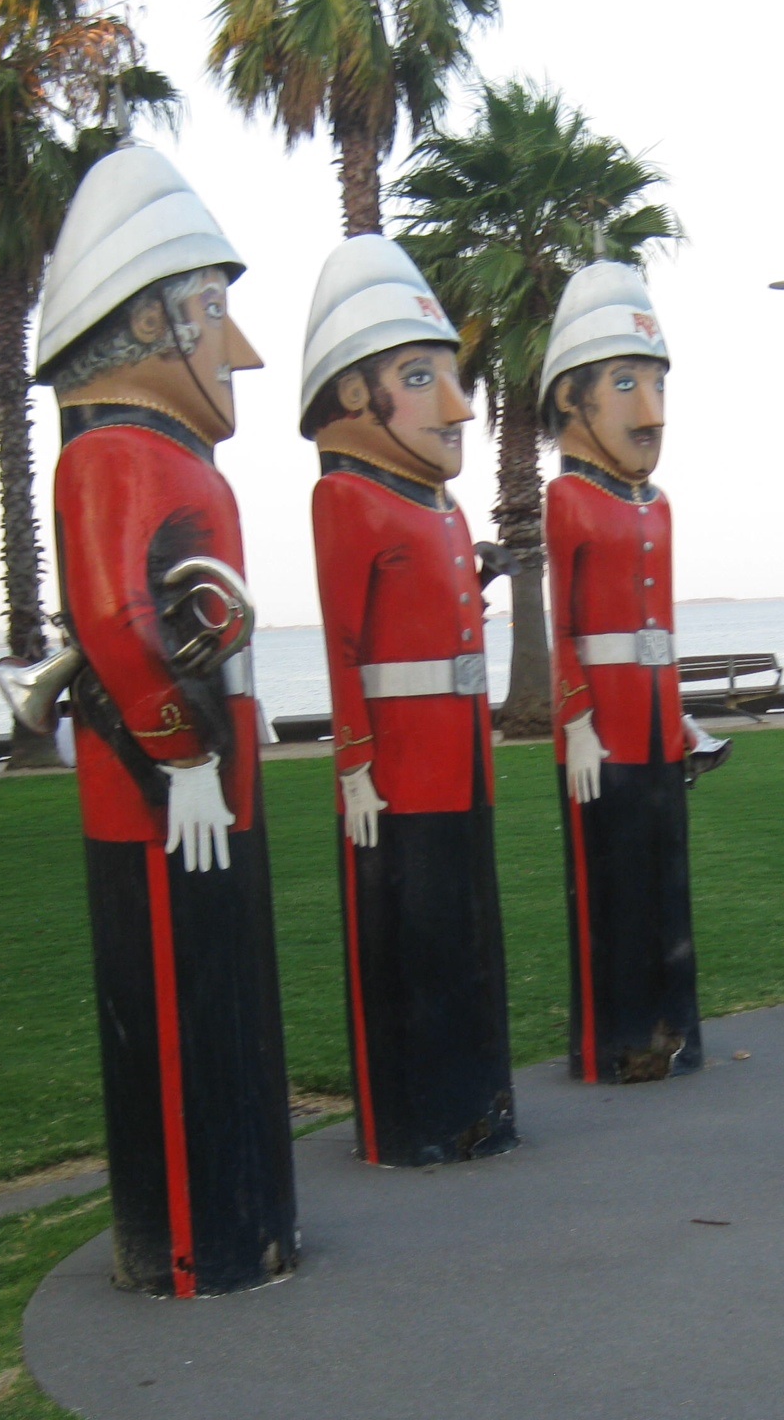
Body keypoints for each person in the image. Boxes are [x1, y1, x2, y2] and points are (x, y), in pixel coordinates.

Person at [27, 144, 296, 1295]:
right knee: (182, 995)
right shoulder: (110, 455)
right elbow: (115, 618)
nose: (238, 349)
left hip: (204, 777)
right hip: (162, 789)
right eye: (211, 310)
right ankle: (197, 1244)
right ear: (147, 322)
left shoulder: (161, 456)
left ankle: (242, 1221)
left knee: (225, 987)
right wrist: (182, 753)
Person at [303, 235, 517, 1168]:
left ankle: (477, 1101)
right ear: (356, 393)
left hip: (460, 749)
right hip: (402, 759)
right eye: (421, 377)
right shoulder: (347, 497)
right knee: (416, 932)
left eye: (451, 377)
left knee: (468, 930)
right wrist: (355, 762)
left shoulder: (443, 507)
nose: (457, 407)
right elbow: (343, 641)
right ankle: (423, 1114)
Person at [541, 261, 717, 1084]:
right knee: (609, 885)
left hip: (652, 721)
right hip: (604, 730)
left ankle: (674, 1029)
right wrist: (576, 720)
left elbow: (661, 630)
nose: (651, 412)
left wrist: (678, 717)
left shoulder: (658, 504)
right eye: (624, 384)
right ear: (571, 398)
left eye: (656, 384)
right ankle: (613, 1042)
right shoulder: (569, 499)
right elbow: (563, 627)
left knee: (665, 882)